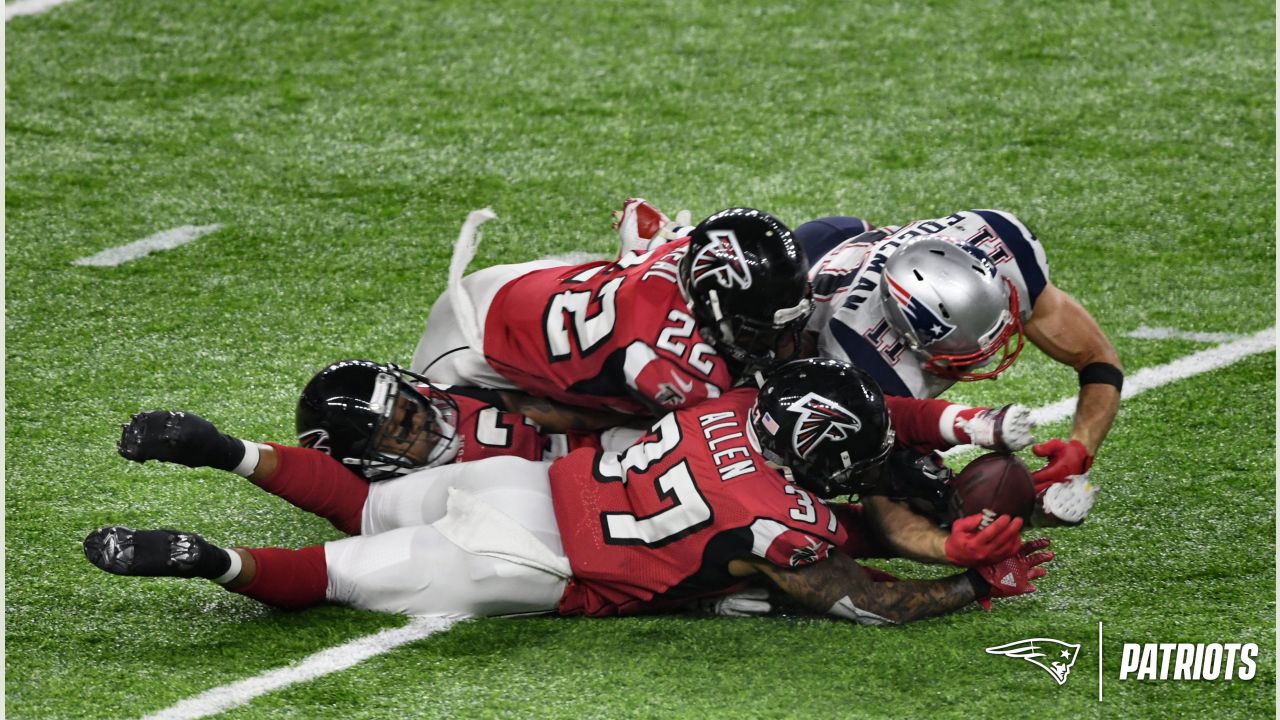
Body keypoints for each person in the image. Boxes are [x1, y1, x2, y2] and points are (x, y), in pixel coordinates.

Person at [85, 359, 1051, 624]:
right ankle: (209, 559)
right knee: (335, 574)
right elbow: (866, 601)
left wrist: (937, 544)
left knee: (369, 507)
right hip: (533, 564)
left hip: (524, 482)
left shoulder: (730, 405)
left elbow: (838, 506)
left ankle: (225, 451)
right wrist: (976, 586)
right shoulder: (781, 519)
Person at [610, 201, 1118, 524]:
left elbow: (1097, 357)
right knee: (745, 400)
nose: (984, 357)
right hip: (821, 288)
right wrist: (1015, 507)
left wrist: (1080, 448)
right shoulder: (864, 358)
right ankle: (670, 249)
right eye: (962, 357)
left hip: (854, 244)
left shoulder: (998, 244)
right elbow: (892, 492)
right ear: (910, 336)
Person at [410, 207, 814, 416]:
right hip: (472, 343)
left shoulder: (690, 254)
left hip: (522, 285)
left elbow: (647, 224)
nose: (778, 342)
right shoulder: (672, 368)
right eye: (757, 330)